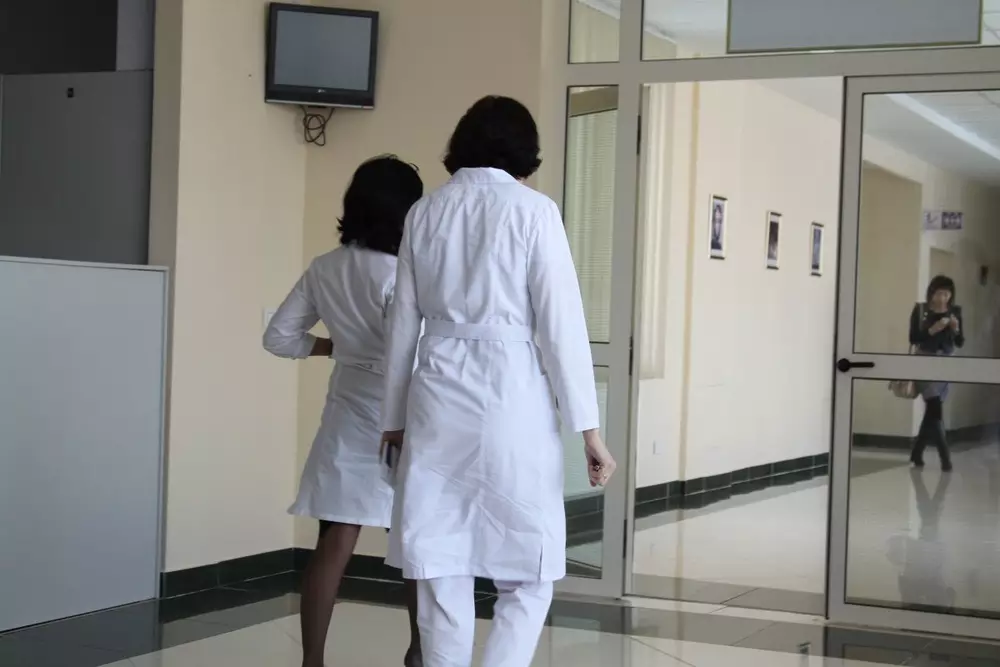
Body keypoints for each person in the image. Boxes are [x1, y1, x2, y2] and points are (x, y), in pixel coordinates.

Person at [380, 96, 617, 667]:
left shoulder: (425, 213)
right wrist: (589, 430)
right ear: (524, 151)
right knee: (529, 571)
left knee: (440, 566)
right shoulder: (535, 211)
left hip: (437, 397)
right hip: (513, 397)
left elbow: (401, 325)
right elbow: (561, 326)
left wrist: (393, 419)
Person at [263, 155, 425, 667]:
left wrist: (335, 347)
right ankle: (420, 652)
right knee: (416, 542)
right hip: (402, 417)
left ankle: (312, 659)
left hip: (346, 413)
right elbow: (410, 353)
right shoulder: (401, 274)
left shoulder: (325, 268)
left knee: (334, 539)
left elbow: (278, 337)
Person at [909, 275, 964, 472]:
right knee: (935, 407)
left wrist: (955, 330)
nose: (942, 298)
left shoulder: (955, 312)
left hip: (946, 364)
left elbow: (959, 342)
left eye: (947, 294)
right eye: (939, 293)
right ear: (931, 293)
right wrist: (932, 330)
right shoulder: (921, 310)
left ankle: (917, 452)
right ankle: (945, 458)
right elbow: (913, 338)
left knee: (932, 410)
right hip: (924, 362)